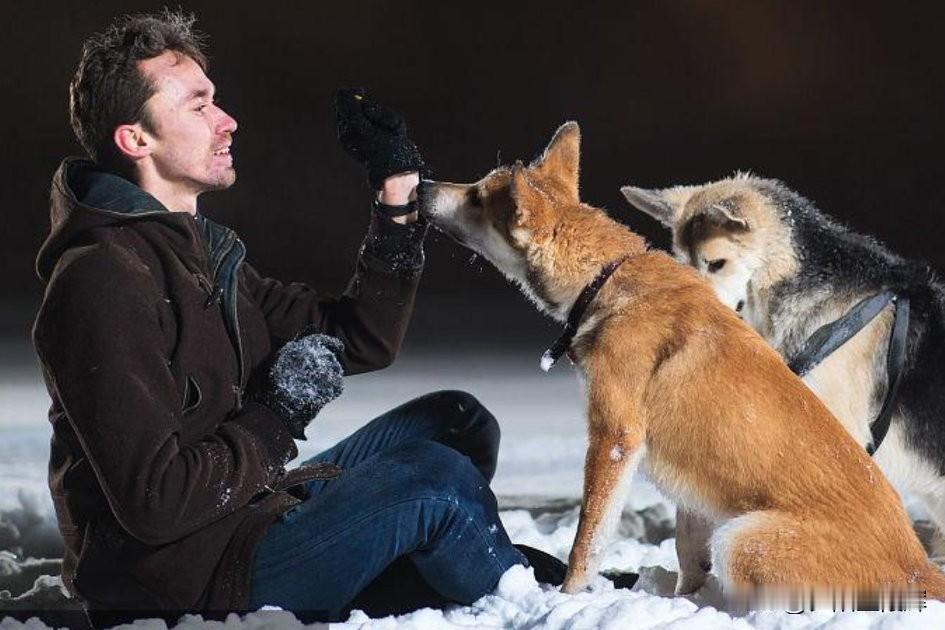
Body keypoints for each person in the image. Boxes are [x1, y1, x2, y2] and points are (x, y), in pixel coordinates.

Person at [33, 10, 634, 625]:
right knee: (433, 480)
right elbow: (155, 503)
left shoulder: (201, 254)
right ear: (137, 140)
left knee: (456, 424)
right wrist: (279, 411)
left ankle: (445, 570)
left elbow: (360, 338)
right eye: (198, 106)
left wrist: (396, 197)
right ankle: (549, 608)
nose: (226, 120)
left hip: (247, 513)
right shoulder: (101, 281)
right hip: (191, 579)